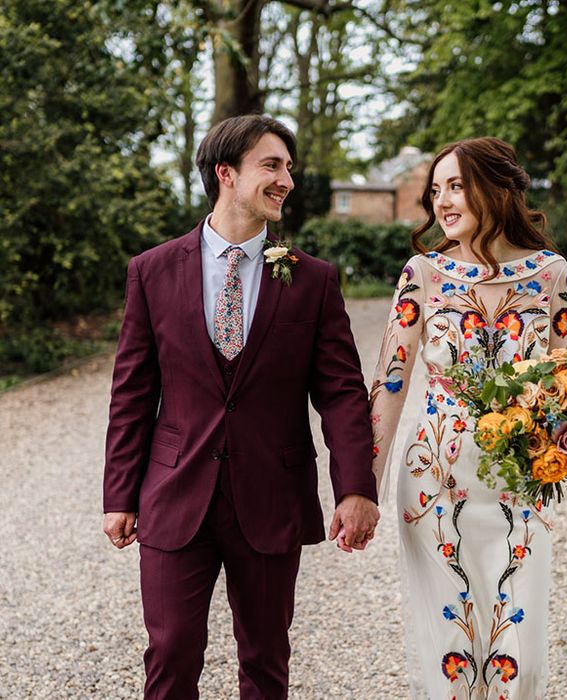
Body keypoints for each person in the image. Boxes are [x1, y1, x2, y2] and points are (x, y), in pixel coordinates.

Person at [102, 114, 379, 699]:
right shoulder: (151, 272)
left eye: (288, 168)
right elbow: (131, 392)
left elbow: (341, 392)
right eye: (272, 166)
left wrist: (356, 487)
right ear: (227, 173)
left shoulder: (313, 280)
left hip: (270, 494)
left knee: (265, 658)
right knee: (172, 649)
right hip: (174, 492)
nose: (287, 181)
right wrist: (119, 495)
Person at [370, 137, 567, 699]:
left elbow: (564, 385)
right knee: (454, 667)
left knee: (519, 663)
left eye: (456, 186)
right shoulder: (423, 274)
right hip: (435, 480)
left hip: (521, 487)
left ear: (498, 189)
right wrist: (364, 486)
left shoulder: (553, 274)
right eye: (435, 190)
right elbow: (390, 382)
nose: (442, 201)